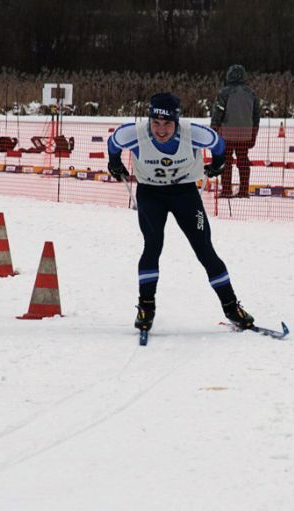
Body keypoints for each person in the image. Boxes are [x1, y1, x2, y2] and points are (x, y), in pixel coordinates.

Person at [107, 92, 255, 333]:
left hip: (184, 194)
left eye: (167, 124)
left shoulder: (193, 133)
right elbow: (113, 143)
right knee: (152, 245)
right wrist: (114, 162)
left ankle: (231, 308)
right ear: (149, 120)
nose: (161, 130)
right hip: (150, 194)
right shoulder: (133, 133)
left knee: (205, 250)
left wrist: (218, 163)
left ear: (176, 121)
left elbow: (219, 144)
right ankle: (146, 307)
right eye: (156, 123)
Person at [210, 64, 260, 198]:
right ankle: (243, 191)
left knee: (226, 161)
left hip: (226, 134)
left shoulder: (224, 92)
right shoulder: (251, 93)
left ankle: (226, 190)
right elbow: (256, 116)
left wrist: (213, 129)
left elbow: (218, 112)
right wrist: (253, 134)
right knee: (243, 161)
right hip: (245, 134)